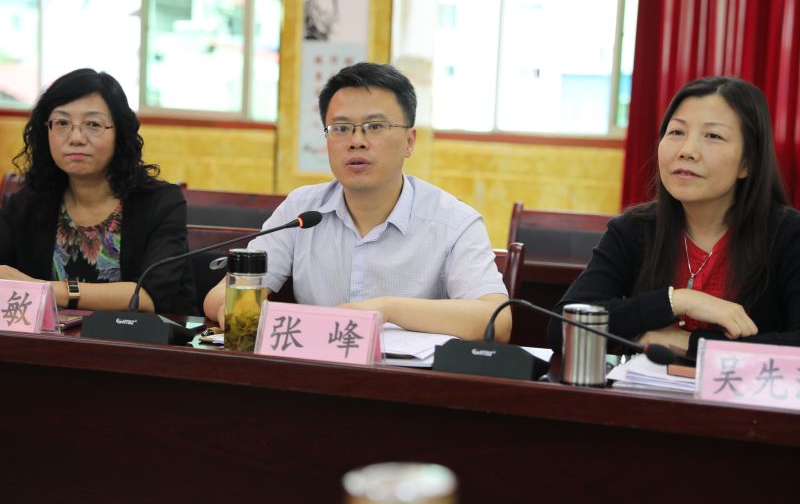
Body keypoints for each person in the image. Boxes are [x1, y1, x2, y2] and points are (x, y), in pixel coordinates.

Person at [204, 62, 511, 341]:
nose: (357, 141)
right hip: (317, 372)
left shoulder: (453, 222)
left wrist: (387, 309)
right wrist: (240, 314)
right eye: (341, 128)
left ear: (409, 141)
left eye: (375, 126)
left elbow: (497, 321)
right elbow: (219, 298)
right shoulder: (302, 210)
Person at [547, 76, 800, 357]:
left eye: (713, 136)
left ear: (747, 163)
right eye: (677, 132)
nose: (687, 151)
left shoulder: (789, 235)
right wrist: (676, 301)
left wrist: (691, 344)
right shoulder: (633, 230)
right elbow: (562, 329)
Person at [0, 68, 197, 314]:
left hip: (139, 338)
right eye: (61, 123)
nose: (76, 138)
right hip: (49, 339)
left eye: (93, 124)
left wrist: (44, 290)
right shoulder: (27, 204)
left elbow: (147, 297)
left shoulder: (160, 202)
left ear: (120, 133)